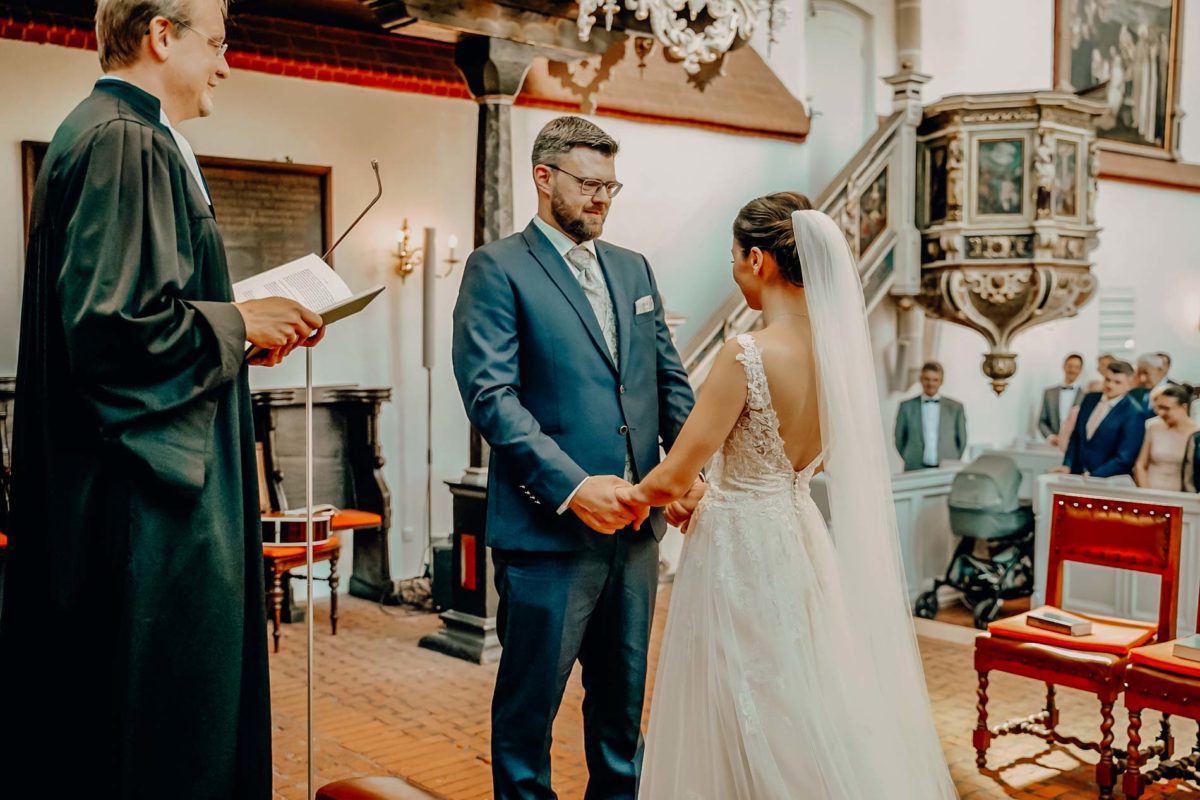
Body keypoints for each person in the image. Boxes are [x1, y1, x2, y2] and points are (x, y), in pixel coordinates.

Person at [0, 1, 324, 796]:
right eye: (217, 43)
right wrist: (238, 321)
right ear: (161, 35)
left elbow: (140, 312)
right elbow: (113, 336)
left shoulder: (110, 132)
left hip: (126, 502)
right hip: (148, 521)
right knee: (159, 742)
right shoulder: (127, 140)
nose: (225, 63)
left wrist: (241, 329)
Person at [617, 195, 956, 798]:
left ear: (757, 259)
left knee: (738, 695)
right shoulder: (838, 356)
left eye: (732, 258)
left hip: (739, 545)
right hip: (799, 531)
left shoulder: (748, 353)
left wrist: (623, 494)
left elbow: (674, 476)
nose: (734, 270)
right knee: (801, 689)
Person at [451, 116, 697, 799]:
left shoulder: (633, 267)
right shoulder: (497, 267)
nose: (602, 199)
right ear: (543, 176)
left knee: (621, 721)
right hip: (549, 534)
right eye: (590, 184)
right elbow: (491, 397)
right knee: (528, 721)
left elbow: (666, 380)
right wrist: (572, 486)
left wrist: (685, 468)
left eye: (611, 186)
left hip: (636, 532)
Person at [1054, 359, 1146, 478]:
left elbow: (1125, 457)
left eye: (1117, 382)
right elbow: (1076, 436)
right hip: (1076, 475)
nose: (1110, 385)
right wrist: (1067, 465)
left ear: (1129, 384)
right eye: (1107, 380)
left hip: (1108, 480)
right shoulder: (1090, 399)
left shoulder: (1134, 413)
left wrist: (1094, 476)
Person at [894, 361, 968, 471]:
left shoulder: (956, 408)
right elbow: (899, 438)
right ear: (921, 379)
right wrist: (910, 456)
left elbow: (962, 440)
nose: (931, 384)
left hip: (947, 468)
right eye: (927, 379)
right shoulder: (906, 407)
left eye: (935, 380)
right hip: (914, 467)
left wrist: (953, 459)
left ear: (941, 381)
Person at [1134, 384, 1198, 491]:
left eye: (1166, 408)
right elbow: (1140, 465)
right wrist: (1146, 492)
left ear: (1184, 408)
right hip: (1148, 490)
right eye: (1158, 407)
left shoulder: (1196, 433)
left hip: (1180, 494)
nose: (1161, 413)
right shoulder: (1153, 426)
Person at [1039, 353, 1084, 446]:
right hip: (1053, 446)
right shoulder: (1049, 393)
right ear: (1064, 366)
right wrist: (1051, 437)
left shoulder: (1086, 395)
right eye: (1070, 366)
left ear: (1080, 370)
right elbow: (1042, 421)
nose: (1072, 370)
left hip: (1076, 446)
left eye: (1076, 367)